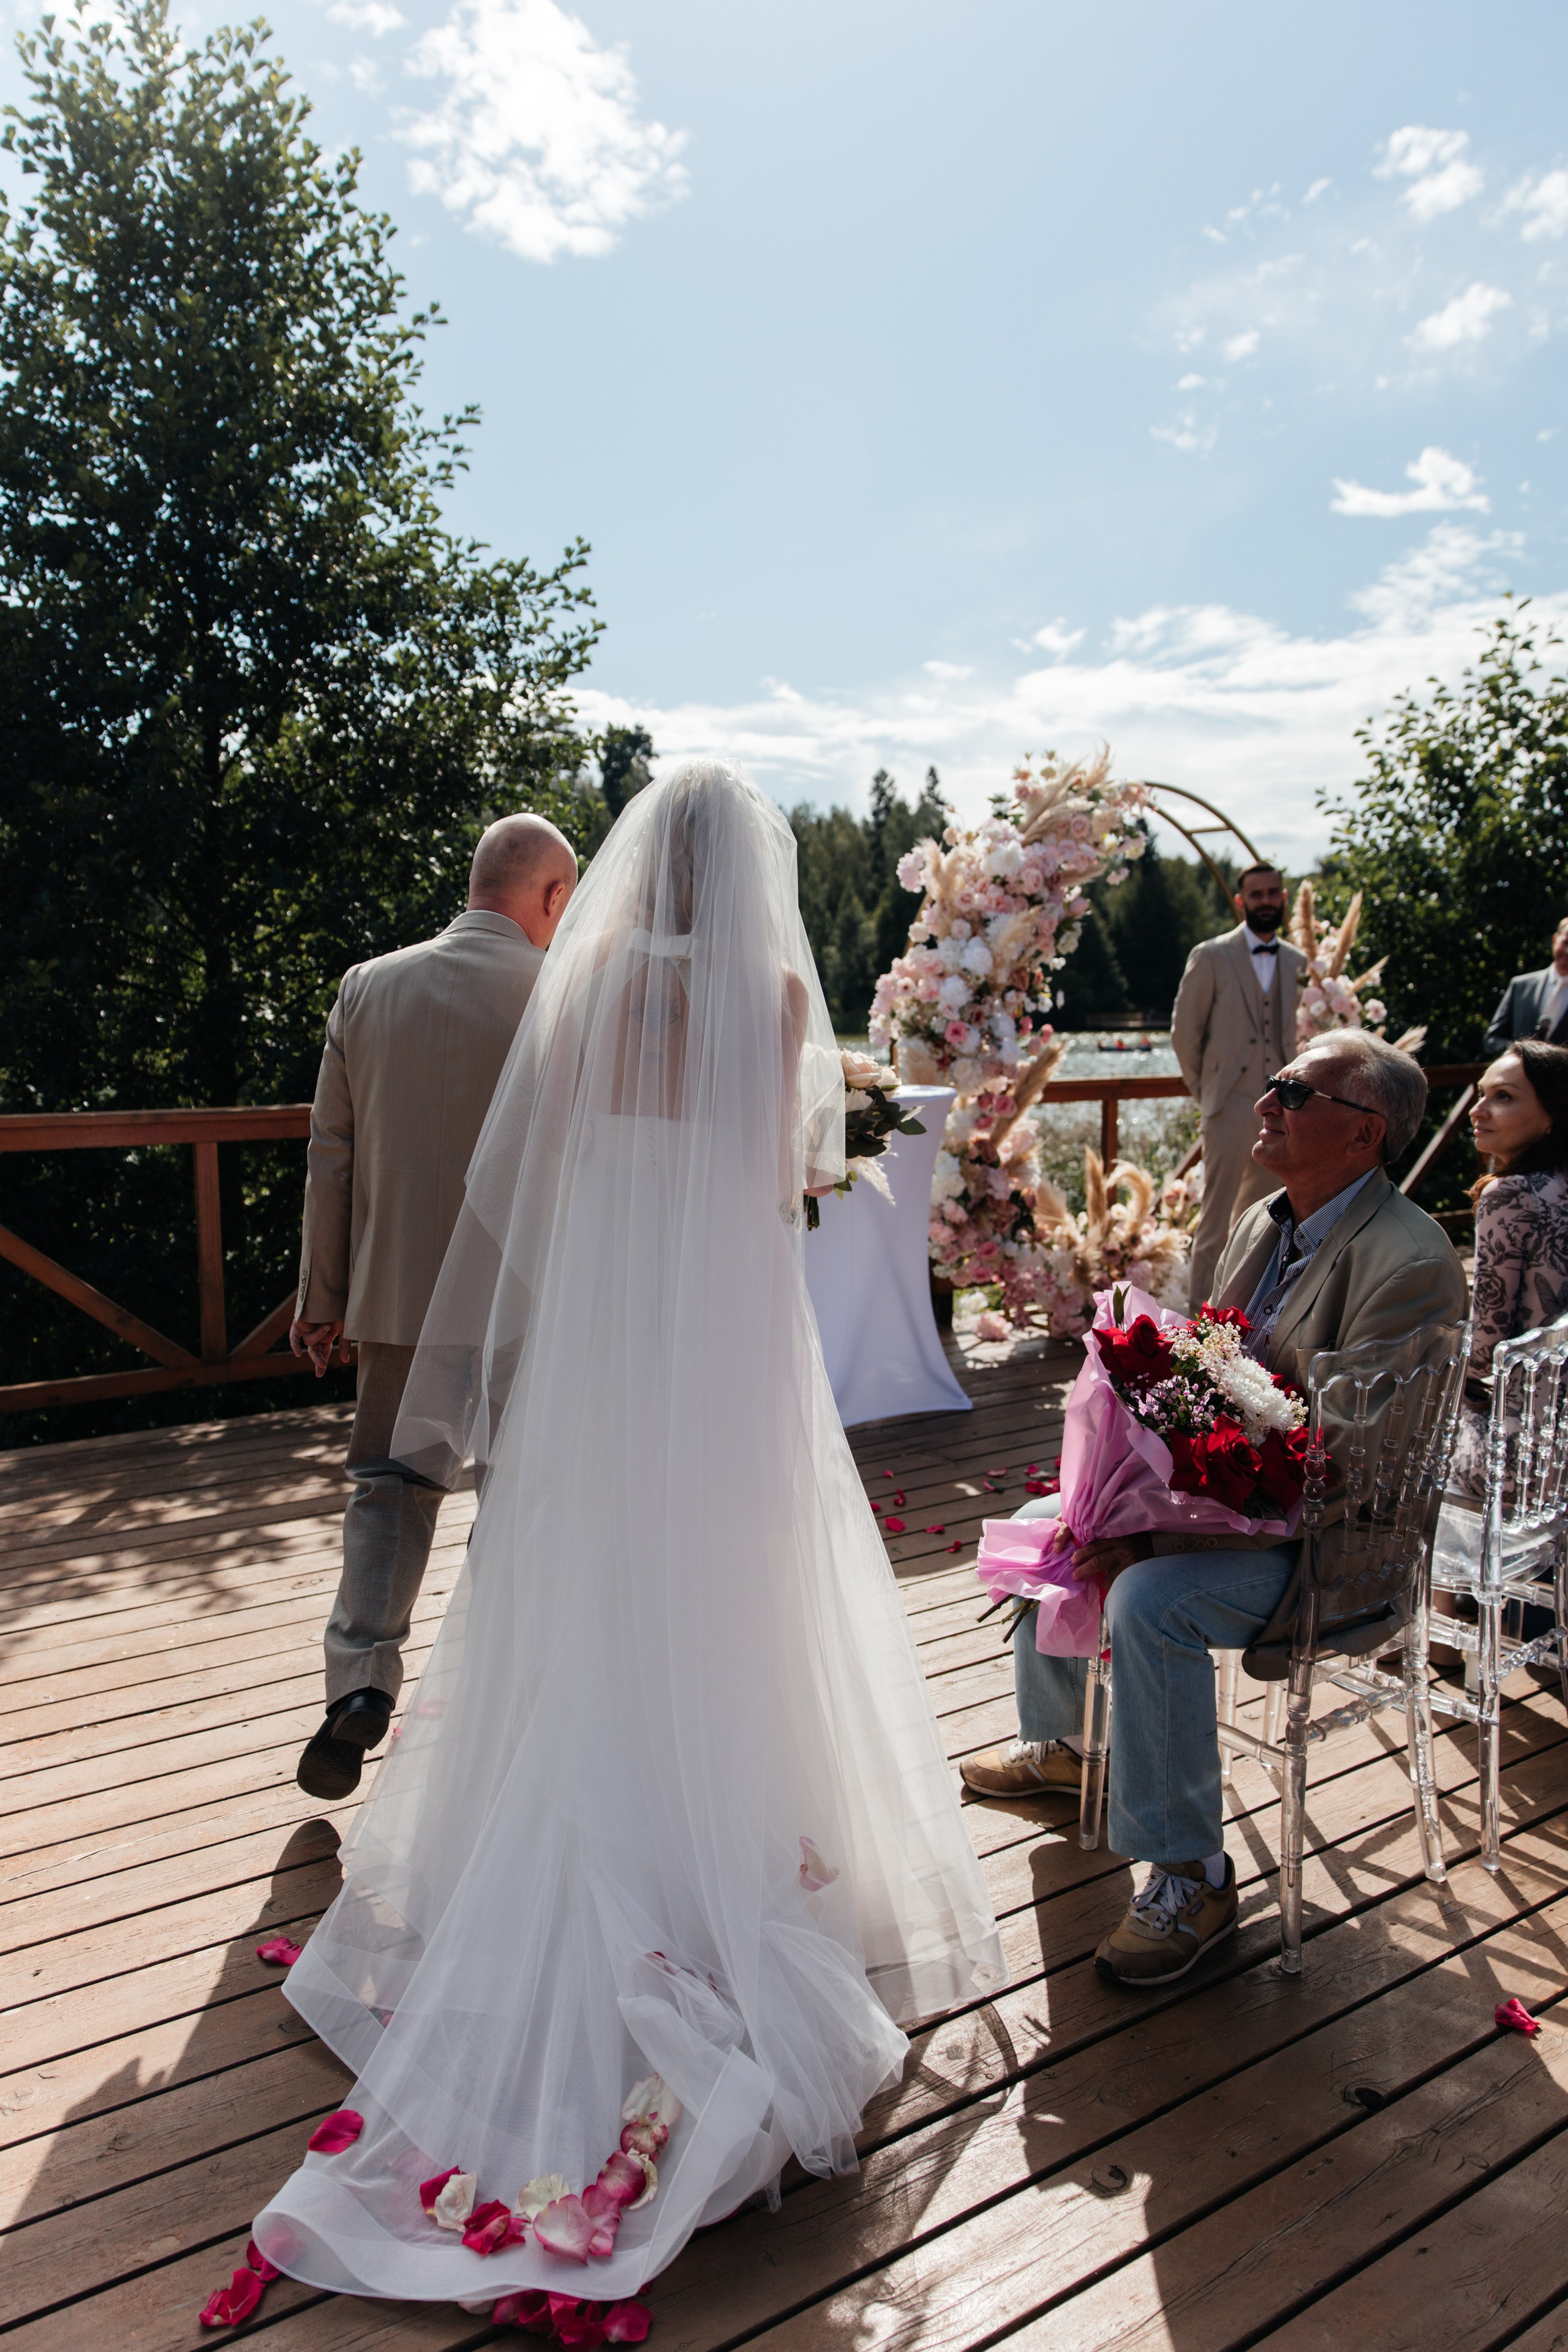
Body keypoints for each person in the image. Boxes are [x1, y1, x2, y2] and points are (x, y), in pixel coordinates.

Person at [251, 762, 1005, 2310]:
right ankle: (733, 1837)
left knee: (577, 1581)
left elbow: (528, 1172)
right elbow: (787, 1174)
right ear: (750, 883)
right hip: (727, 1349)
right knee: (736, 1583)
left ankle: (553, 1819)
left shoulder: (581, 984)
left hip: (602, 1341)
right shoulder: (773, 1004)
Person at [960, 1030, 1466, 1988]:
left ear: (1364, 1134)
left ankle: (1194, 1873)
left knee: (1150, 1599)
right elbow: (1210, 1368)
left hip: (1332, 1547)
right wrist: (1130, 1461)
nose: (1266, 1100)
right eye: (1270, 1080)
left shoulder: (1410, 1261)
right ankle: (1069, 1747)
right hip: (1230, 1500)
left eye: (1293, 1090)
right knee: (1060, 1510)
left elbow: (1352, 1467)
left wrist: (1160, 1525)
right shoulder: (1265, 1217)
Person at [290, 813, 579, 1801]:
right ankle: (508, 1708)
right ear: (549, 897)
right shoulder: (564, 999)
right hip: (527, 1302)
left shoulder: (368, 987)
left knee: (387, 1485)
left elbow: (331, 1155)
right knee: (520, 1497)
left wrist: (323, 1297)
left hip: (399, 1295)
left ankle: (360, 1684)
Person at [1171, 862, 1308, 1310]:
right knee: (1214, 1222)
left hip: (1284, 1108)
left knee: (1265, 1220)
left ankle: (1246, 1320)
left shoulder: (1297, 961)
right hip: (1228, 1103)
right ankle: (1197, 1327)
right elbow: (1184, 1034)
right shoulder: (1211, 955)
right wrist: (1207, 1091)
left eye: (1273, 893)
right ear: (1241, 901)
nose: (1266, 901)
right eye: (1257, 894)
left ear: (1283, 898)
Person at [1468, 1039, 1568, 1374]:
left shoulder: (1509, 1195)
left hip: (1528, 1411)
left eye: (1503, 1097)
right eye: (1482, 1093)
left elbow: (1483, 1355)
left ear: (1553, 1113)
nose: (1477, 1110)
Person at [1483, 921, 1568, 1056]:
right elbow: (1493, 1039)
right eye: (1566, 943)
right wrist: (1523, 1054)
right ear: (1555, 939)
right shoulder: (1520, 986)